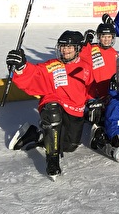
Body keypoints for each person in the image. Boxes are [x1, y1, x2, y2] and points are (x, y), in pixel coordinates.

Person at [7, 30, 94, 179]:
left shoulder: (86, 67)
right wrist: (22, 68)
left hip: (75, 110)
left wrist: (93, 101)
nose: (64, 50)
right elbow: (36, 73)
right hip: (54, 102)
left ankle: (35, 133)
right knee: (52, 112)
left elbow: (91, 89)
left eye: (69, 47)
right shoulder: (54, 65)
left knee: (69, 146)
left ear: (77, 49)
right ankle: (52, 161)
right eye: (62, 46)